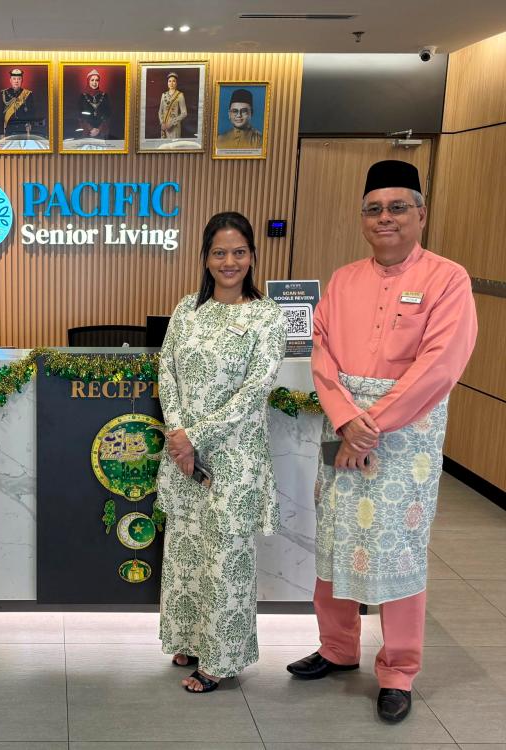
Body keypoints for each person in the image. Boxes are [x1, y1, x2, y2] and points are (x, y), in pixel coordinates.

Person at [287, 160, 478, 723]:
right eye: (374, 209)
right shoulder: (344, 279)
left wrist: (373, 423)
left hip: (407, 438)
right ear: (362, 218)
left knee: (397, 551)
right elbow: (321, 353)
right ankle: (338, 648)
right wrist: (347, 419)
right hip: (342, 429)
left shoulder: (449, 278)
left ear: (421, 213)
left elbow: (441, 364)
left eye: (397, 207)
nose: (385, 218)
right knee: (336, 540)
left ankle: (398, 669)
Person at [157, 212, 286, 694]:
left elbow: (256, 391)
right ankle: (189, 639)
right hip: (183, 458)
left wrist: (195, 436)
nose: (228, 262)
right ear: (205, 258)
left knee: (226, 556)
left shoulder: (267, 315)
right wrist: (177, 435)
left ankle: (221, 659)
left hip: (234, 460)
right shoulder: (187, 308)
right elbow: (165, 371)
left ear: (252, 256)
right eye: (218, 252)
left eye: (238, 252)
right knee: (188, 551)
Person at [0, 68, 42, 138]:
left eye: (19, 79)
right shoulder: (3, 93)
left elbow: (32, 113)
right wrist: (0, 132)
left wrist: (30, 126)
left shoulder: (28, 94)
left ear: (22, 80)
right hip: (8, 129)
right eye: (14, 79)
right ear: (10, 80)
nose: (16, 81)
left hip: (23, 130)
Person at [75, 69, 111, 139]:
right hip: (87, 131)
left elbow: (108, 114)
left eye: (97, 80)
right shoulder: (83, 96)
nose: (94, 82)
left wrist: (99, 129)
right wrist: (90, 129)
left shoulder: (104, 96)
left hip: (102, 132)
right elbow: (79, 114)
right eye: (92, 80)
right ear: (88, 81)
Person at [158, 71, 187, 139]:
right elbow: (160, 111)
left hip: (174, 127)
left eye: (173, 81)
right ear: (167, 83)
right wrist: (162, 123)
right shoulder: (163, 95)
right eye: (169, 81)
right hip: (164, 127)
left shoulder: (180, 95)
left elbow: (184, 113)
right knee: (164, 146)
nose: (171, 83)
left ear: (176, 83)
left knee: (174, 147)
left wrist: (171, 123)